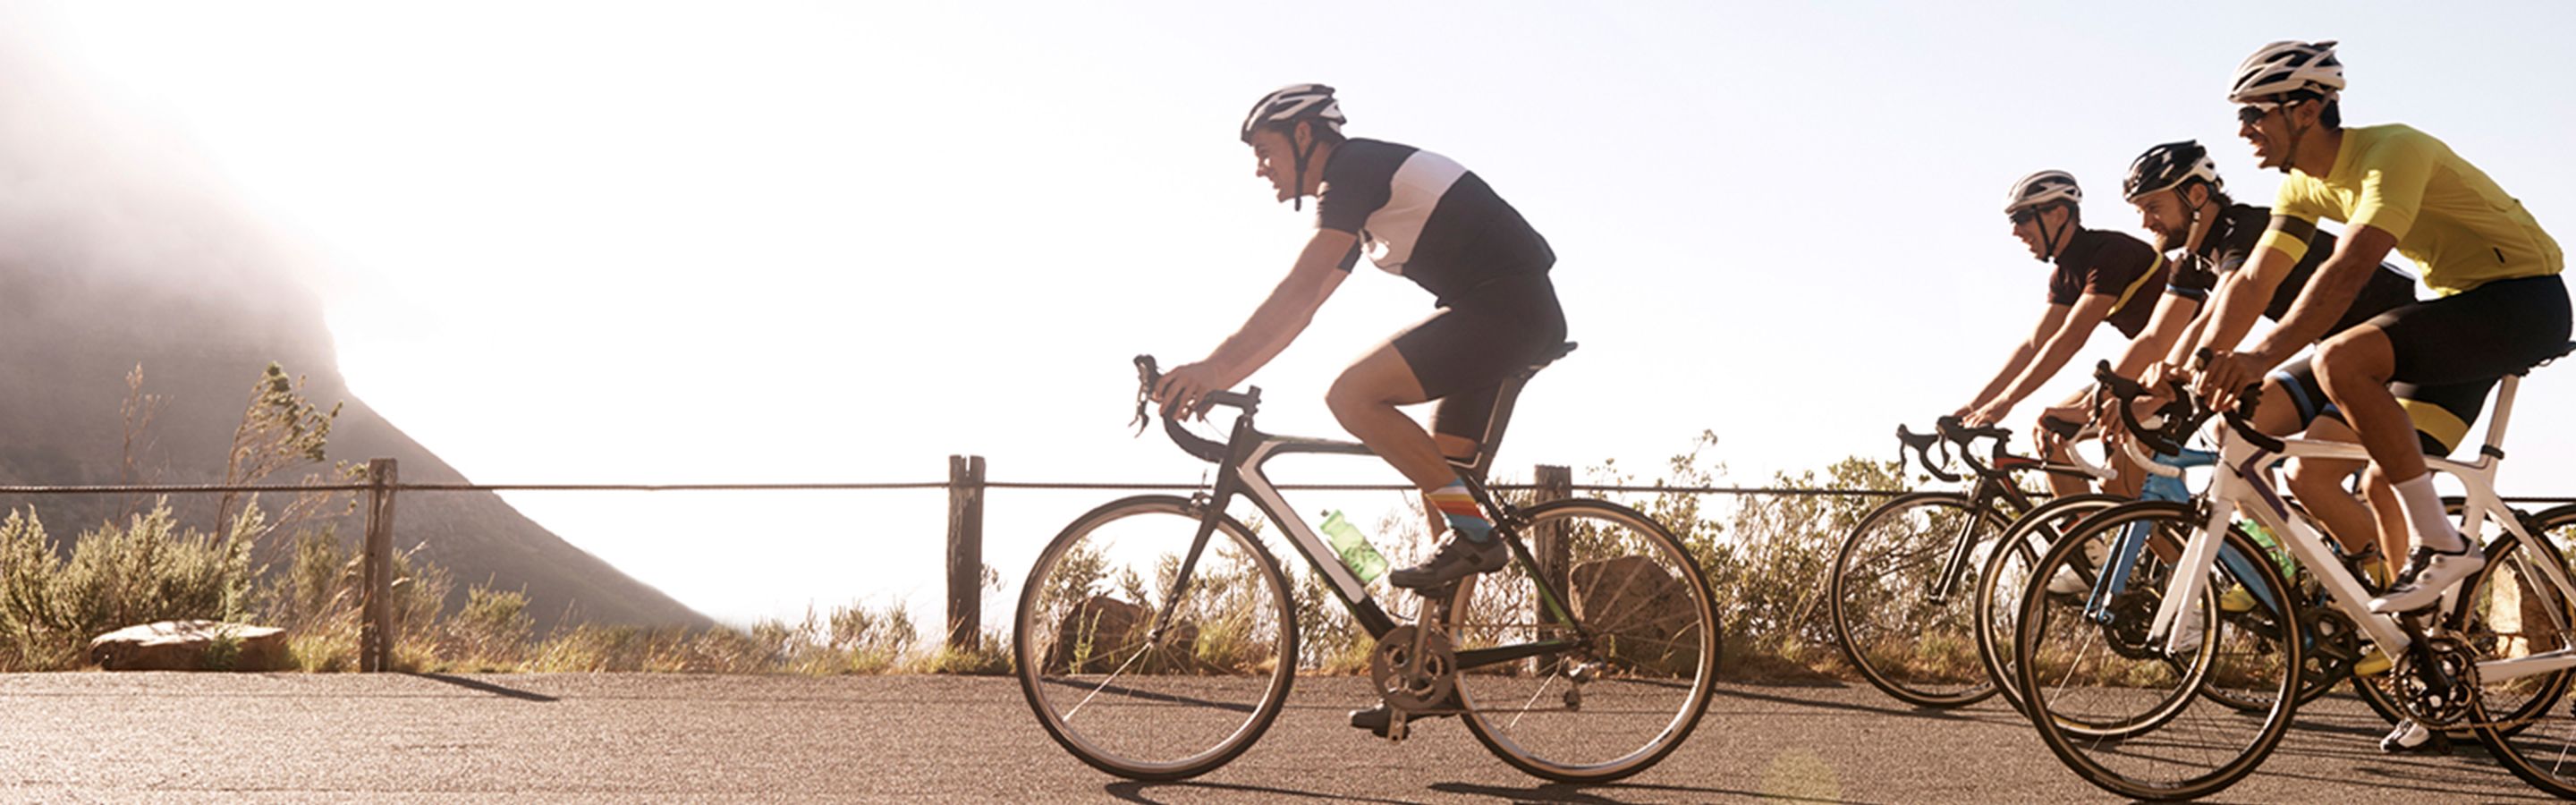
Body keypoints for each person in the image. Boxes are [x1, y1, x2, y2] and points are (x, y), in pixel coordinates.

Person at [2184, 40, 2569, 750]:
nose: (2243, 132)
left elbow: (2352, 268)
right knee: (2311, 463)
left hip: (2523, 302)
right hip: (2455, 309)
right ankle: (2427, 668)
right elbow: (2253, 283)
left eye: (2254, 114)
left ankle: (2443, 545)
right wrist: (2194, 368)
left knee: (2340, 358)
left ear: (2305, 110)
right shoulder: (2300, 187)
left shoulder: (2394, 150)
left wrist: (2262, 351)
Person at [1150, 84, 1567, 593]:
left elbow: (1298, 290)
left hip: (1505, 312)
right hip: (1500, 313)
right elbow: (1300, 313)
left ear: (1303, 134)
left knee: (1352, 395)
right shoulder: (1361, 188)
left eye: (1265, 151)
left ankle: (1476, 536)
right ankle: (1437, 653)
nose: (1260, 168)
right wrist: (1216, 378)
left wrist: (1211, 371)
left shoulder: (1353, 169)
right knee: (1440, 480)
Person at [1961, 171, 2170, 498]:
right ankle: (2086, 546)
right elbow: (2033, 344)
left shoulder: (2110, 253)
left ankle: (2110, 533)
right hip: (2141, 372)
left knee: (2121, 498)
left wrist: (2006, 403)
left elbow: (2071, 337)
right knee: (2049, 430)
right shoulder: (2065, 274)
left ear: (2059, 214)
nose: (2016, 230)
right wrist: (1975, 406)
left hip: (2174, 372)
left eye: (2023, 217)